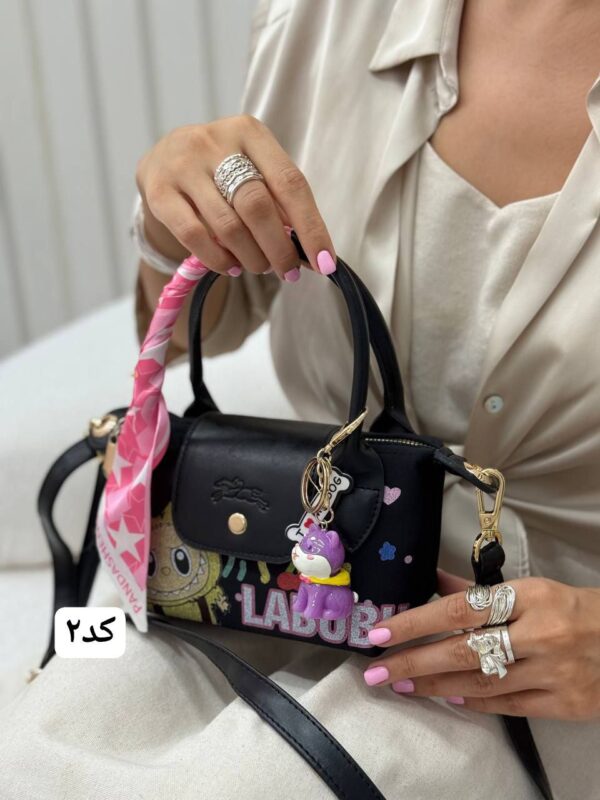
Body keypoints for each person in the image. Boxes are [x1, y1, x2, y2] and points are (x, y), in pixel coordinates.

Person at [1, 1, 599, 798]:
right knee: (33, 745)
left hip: (528, 657)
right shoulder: (325, 17)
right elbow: (184, 327)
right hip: (206, 573)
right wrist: (179, 222)